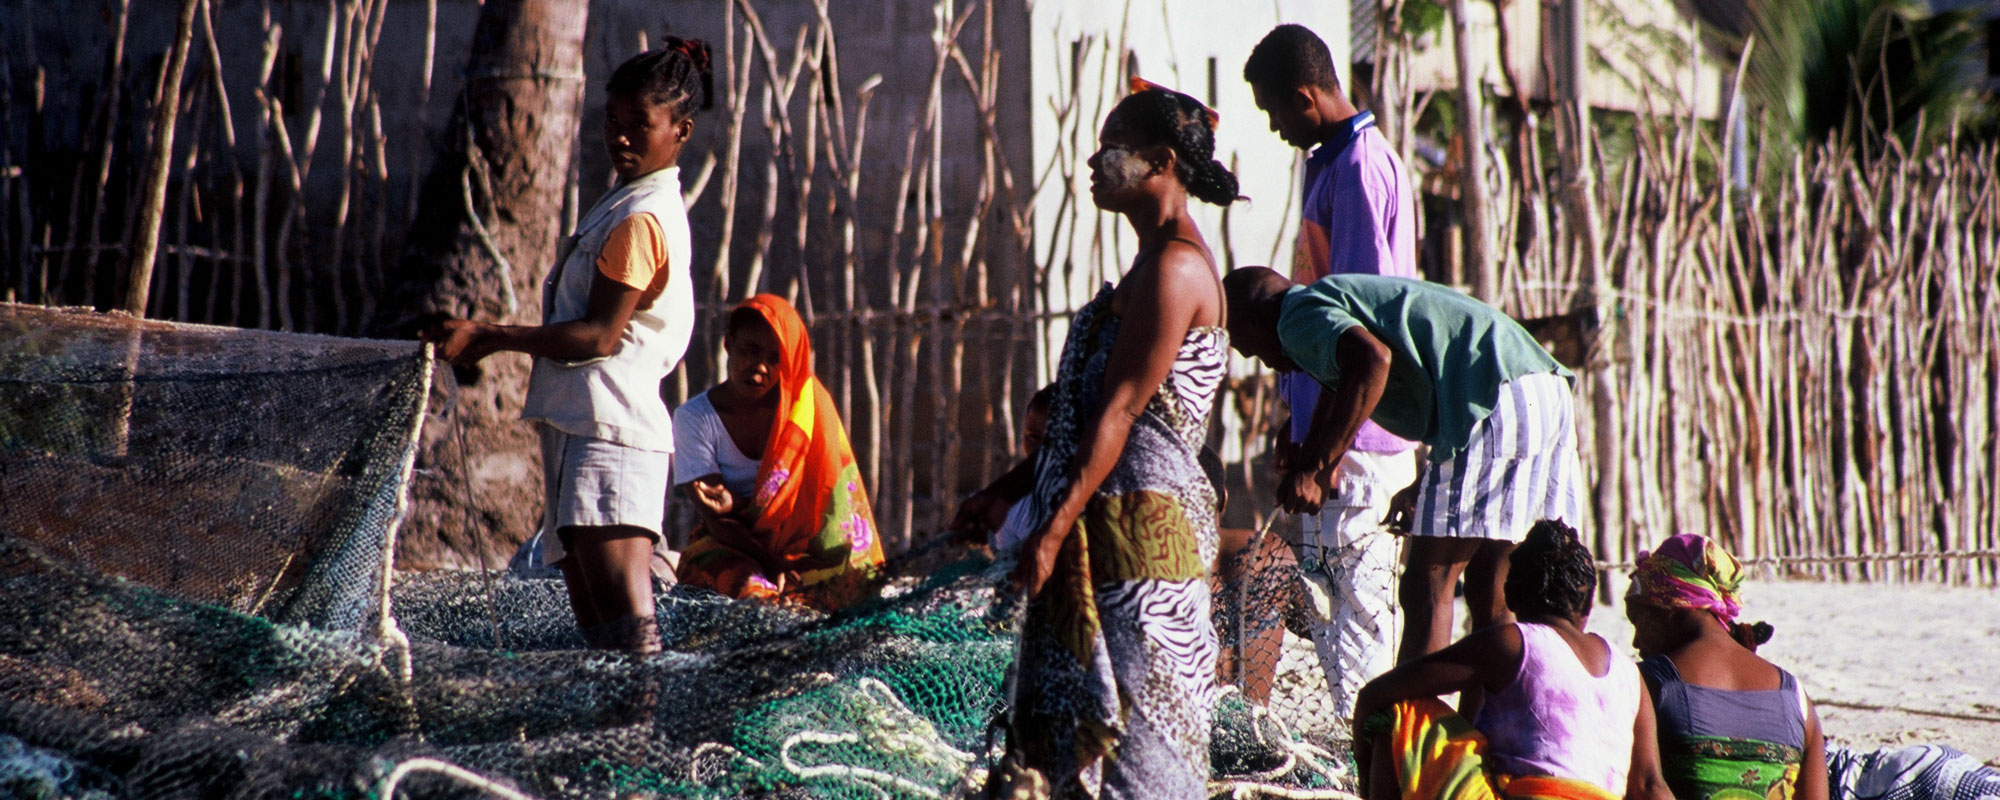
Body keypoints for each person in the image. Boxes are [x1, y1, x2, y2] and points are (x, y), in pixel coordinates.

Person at [951, 78, 1235, 799]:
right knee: (1062, 748)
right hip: (1097, 527)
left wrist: (1050, 529)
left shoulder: (1176, 268)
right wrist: (1011, 490)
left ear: (1160, 162)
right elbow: (1078, 417)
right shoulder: (1146, 265)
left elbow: (1120, 413)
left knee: (1144, 753)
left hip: (1145, 551)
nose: (1092, 162)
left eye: (1111, 149)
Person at [421, 41, 710, 655]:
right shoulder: (625, 203)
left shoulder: (642, 217)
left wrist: (491, 336)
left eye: (641, 124)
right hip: (585, 429)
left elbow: (601, 336)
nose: (621, 137)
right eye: (613, 120)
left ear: (680, 132)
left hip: (613, 436)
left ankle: (646, 739)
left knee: (628, 624)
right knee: (600, 629)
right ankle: (623, 734)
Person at [1221, 268, 1584, 666]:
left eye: (1249, 347)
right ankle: (1485, 723)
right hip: (1537, 390)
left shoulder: (1294, 314)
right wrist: (1313, 455)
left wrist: (1319, 468)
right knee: (1491, 589)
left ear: (1256, 321)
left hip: (1493, 401)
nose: (1262, 361)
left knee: (1428, 587)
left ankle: (1413, 721)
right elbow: (1349, 380)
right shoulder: (1333, 301)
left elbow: (1373, 360)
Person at [1243, 22, 1421, 716]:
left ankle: (1370, 755)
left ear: (1304, 96)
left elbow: (1363, 333)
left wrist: (1328, 452)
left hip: (1362, 438)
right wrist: (1302, 427)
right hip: (1333, 433)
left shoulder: (1358, 168)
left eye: (1274, 111)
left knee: (1361, 612)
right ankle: (1362, 749)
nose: (1274, 126)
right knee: (1336, 607)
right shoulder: (1329, 163)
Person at [1351, 520, 1672, 800]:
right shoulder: (1628, 673)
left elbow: (1376, 693)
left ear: (1512, 598)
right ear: (1588, 605)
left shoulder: (1513, 642)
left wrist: (1365, 770)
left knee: (1402, 712)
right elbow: (1649, 786)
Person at [672, 294, 885, 610]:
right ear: (728, 344)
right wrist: (772, 563)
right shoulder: (695, 419)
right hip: (733, 547)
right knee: (754, 595)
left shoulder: (806, 414)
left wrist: (786, 562)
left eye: (775, 359)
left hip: (801, 551)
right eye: (750, 351)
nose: (760, 367)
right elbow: (718, 521)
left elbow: (830, 504)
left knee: (855, 594)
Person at [1625, 534, 1828, 800]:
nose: (1636, 640)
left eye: (1638, 620)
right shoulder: (1795, 697)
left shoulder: (1650, 684)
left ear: (1669, 609)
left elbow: (1645, 789)